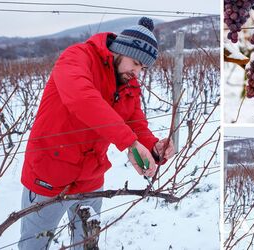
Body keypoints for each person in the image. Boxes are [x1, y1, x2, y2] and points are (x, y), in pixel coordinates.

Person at [19, 17, 175, 249]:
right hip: (49, 173)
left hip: (91, 176)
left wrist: (153, 146)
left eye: (142, 68)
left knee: (86, 244)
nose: (137, 72)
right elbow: (83, 99)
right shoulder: (77, 58)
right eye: (135, 62)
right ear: (120, 51)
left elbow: (135, 122)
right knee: (34, 246)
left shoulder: (129, 82)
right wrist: (129, 143)